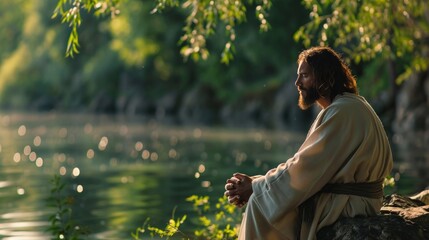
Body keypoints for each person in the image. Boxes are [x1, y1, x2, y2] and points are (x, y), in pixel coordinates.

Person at [224, 46, 393, 240]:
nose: (297, 83)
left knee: (259, 203)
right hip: (350, 200)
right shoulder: (348, 106)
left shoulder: (343, 111)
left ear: (325, 78)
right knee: (265, 196)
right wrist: (259, 183)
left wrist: (256, 187)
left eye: (304, 76)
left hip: (347, 204)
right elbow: (307, 168)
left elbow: (305, 169)